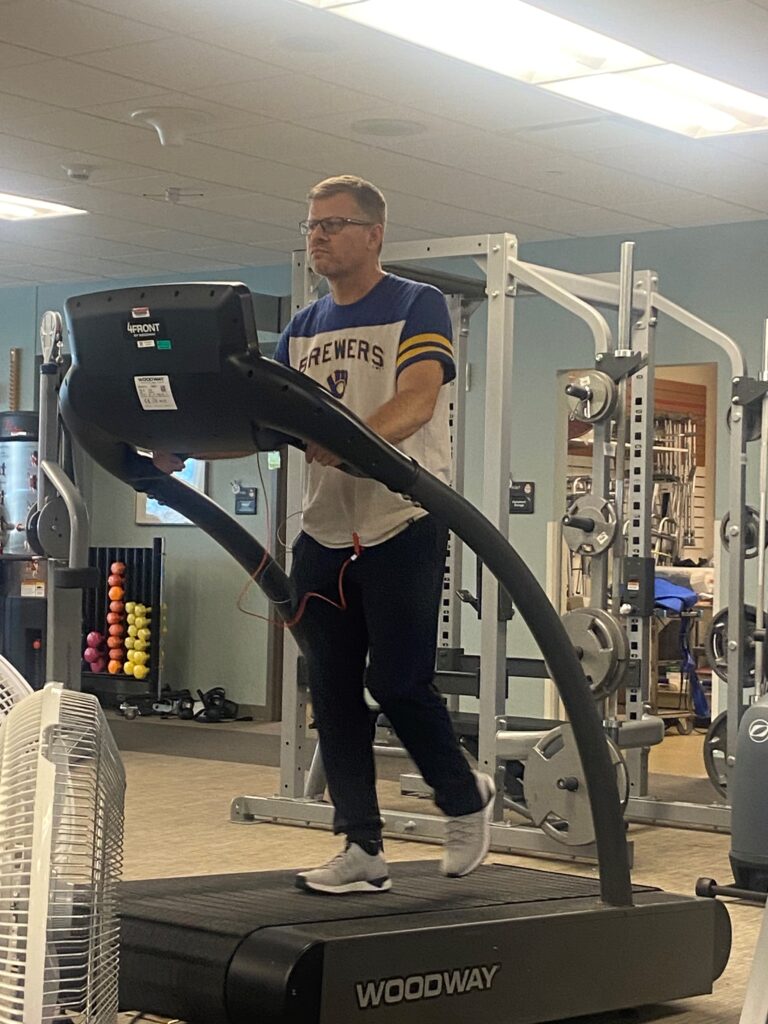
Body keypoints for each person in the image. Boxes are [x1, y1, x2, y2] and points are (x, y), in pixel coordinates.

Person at [155, 175, 494, 896]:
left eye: (334, 224)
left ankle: (465, 801)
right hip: (324, 534)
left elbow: (419, 396)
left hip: (400, 522)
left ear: (373, 235)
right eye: (311, 225)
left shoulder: (414, 303)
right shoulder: (303, 328)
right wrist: (183, 446)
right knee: (333, 691)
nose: (317, 237)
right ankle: (362, 847)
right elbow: (262, 422)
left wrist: (355, 442)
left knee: (397, 682)